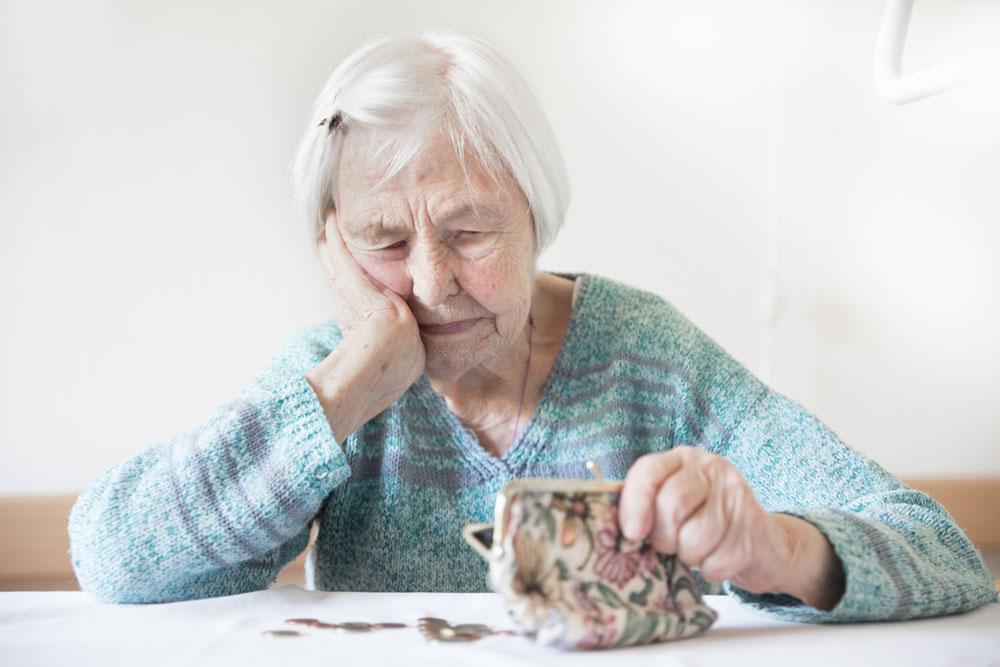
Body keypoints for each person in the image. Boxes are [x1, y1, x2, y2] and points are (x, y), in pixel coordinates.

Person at [69, 32, 995, 621]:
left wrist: (776, 546)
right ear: (334, 249)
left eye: (469, 231)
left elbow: (946, 554)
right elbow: (111, 557)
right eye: (384, 241)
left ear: (536, 213)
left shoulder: (648, 357)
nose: (431, 281)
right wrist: (344, 392)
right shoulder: (330, 383)